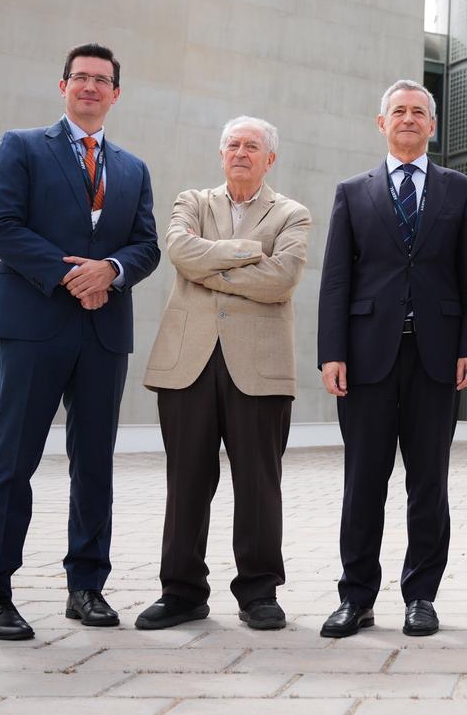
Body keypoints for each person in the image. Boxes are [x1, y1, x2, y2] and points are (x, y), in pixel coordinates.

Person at [0, 43, 160, 639]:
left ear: (116, 94)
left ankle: (87, 587)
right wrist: (71, 273)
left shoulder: (132, 169)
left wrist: (112, 270)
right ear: (63, 86)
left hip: (104, 333)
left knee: (96, 463)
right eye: (81, 77)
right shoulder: (23, 146)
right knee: (14, 460)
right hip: (33, 325)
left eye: (102, 80)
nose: (91, 87)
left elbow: (147, 246)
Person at [317, 78, 467, 638]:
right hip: (366, 358)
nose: (409, 119)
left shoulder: (460, 190)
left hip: (436, 358)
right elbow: (337, 278)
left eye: (419, 112)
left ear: (432, 125)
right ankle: (357, 596)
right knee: (363, 481)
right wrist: (331, 352)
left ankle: (421, 596)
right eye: (399, 111)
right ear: (381, 122)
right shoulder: (352, 191)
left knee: (428, 482)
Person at [135, 116, 312, 632]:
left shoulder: (292, 213)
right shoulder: (191, 202)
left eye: (252, 146)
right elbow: (179, 251)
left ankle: (259, 593)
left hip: (259, 367)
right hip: (186, 361)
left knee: (259, 483)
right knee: (186, 479)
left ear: (269, 158)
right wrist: (245, 254)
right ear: (221, 154)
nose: (241, 152)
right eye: (232, 144)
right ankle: (182, 592)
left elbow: (282, 279)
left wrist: (209, 266)